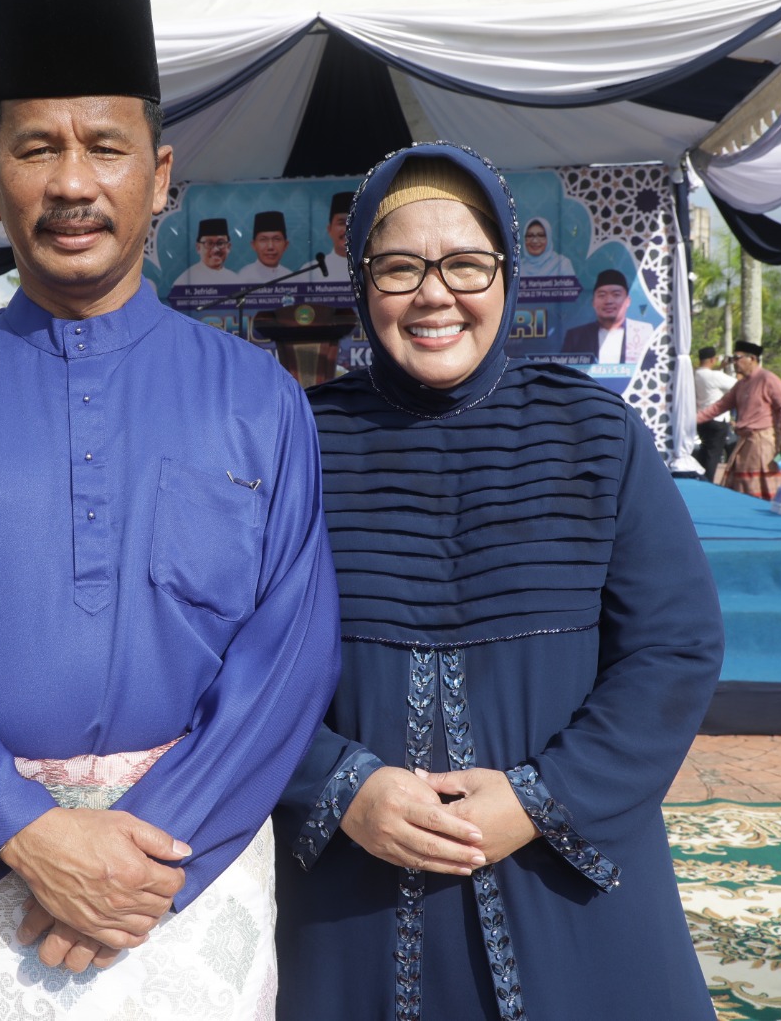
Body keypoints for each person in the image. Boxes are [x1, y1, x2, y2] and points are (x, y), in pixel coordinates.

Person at [0, 0, 340, 1019]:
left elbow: (291, 649)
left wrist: (144, 858)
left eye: (106, 148)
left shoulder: (257, 398)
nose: (71, 183)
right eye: (35, 149)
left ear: (160, 177)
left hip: (186, 867)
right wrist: (24, 831)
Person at [274, 143, 723, 1019]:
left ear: (507, 275)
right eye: (398, 267)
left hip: (564, 886)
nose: (434, 294)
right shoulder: (297, 444)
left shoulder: (597, 436)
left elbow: (674, 647)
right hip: (351, 890)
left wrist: (541, 799)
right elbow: (236, 657)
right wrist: (340, 786)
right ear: (362, 284)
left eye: (465, 264)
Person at [696, 339, 781, 500]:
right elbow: (718, 407)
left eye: (737, 358)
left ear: (752, 359)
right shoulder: (740, 385)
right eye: (733, 358)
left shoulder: (768, 379)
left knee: (761, 492)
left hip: (763, 443)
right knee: (740, 491)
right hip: (744, 443)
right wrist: (691, 420)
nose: (734, 362)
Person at [561, 269, 654, 364]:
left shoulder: (644, 332)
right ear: (593, 302)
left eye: (616, 295)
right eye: (602, 295)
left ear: (627, 301)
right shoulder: (576, 336)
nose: (608, 301)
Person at [693, 346, 737, 481]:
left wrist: (721, 368)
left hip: (701, 419)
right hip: (717, 419)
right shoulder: (715, 376)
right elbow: (738, 384)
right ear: (713, 360)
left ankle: (701, 479)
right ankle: (708, 481)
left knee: (704, 452)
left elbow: (709, 377)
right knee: (713, 455)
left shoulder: (696, 374)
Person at [234, 209, 297, 283]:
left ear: (286, 245)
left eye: (276, 239)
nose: (270, 247)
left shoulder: (291, 278)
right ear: (254, 245)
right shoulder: (243, 277)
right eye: (263, 240)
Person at [172, 218, 236, 285]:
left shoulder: (234, 279)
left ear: (228, 247)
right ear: (198, 248)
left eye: (220, 243)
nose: (215, 249)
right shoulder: (185, 280)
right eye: (209, 243)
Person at [323, 191, 352, 276]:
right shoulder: (314, 271)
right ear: (329, 229)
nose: (347, 229)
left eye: (352, 223)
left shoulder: (373, 266)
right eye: (341, 223)